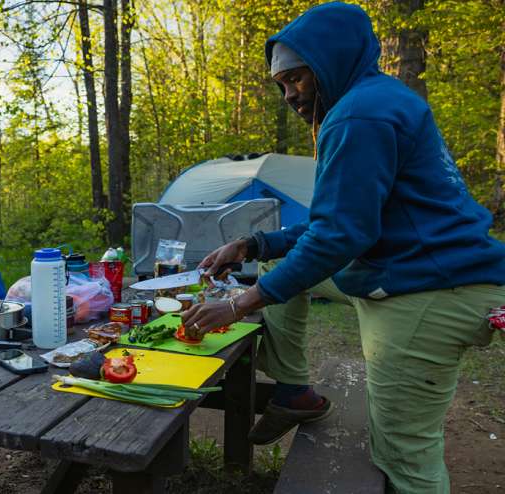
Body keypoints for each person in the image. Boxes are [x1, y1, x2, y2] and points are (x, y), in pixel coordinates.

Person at [180, 3, 505, 493]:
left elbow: (339, 237)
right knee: (282, 259)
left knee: (403, 453)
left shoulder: (359, 115)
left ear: (329, 62)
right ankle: (292, 390)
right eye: (281, 84)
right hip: (404, 267)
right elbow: (340, 219)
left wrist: (238, 303)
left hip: (429, 289)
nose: (290, 94)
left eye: (297, 79)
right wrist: (255, 243)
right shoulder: (377, 99)